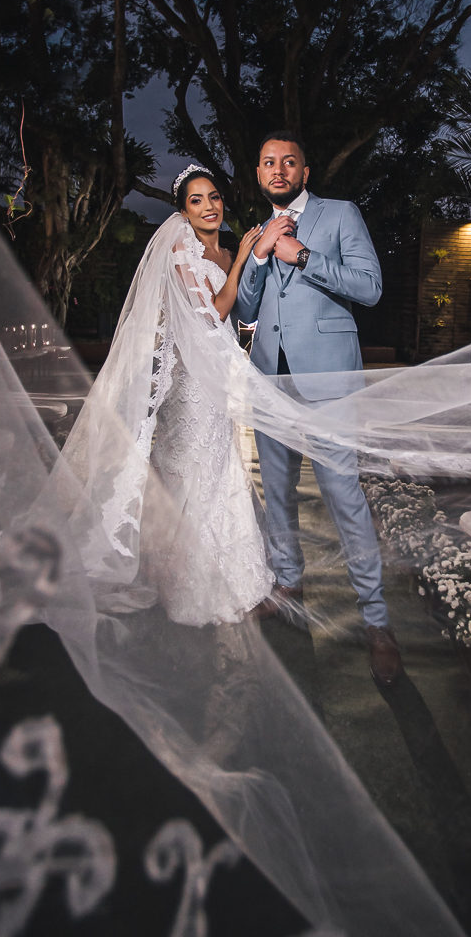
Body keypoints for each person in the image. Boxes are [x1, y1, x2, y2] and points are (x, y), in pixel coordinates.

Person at [235, 131, 404, 687]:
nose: (278, 170)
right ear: (259, 174)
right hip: (270, 381)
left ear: (305, 172)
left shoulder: (339, 215)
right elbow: (246, 308)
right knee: (275, 491)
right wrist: (259, 257)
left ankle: (377, 622)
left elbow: (371, 288)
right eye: (268, 163)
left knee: (343, 496)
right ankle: (286, 585)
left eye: (288, 162)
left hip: (329, 380)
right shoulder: (256, 232)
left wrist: (301, 255)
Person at [138, 164, 275, 625]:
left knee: (220, 464)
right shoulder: (183, 252)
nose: (209, 206)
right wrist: (239, 263)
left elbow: (240, 316)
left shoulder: (227, 249)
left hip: (217, 377)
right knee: (192, 465)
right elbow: (213, 314)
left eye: (213, 196)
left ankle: (231, 572)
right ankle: (184, 583)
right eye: (196, 200)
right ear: (183, 211)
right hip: (192, 381)